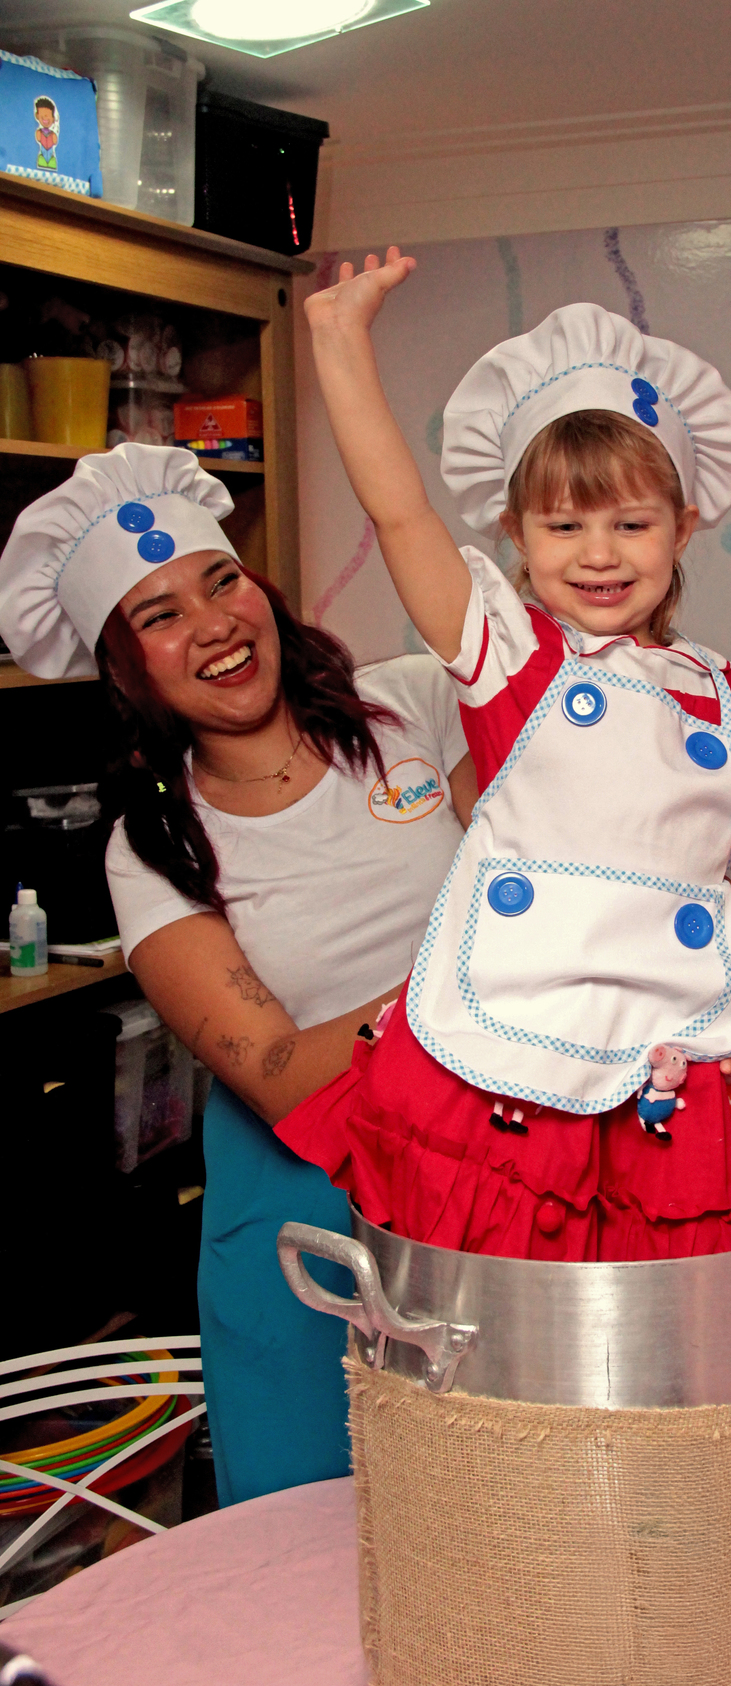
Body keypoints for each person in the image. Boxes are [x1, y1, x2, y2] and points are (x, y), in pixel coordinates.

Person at [279, 259, 731, 1259]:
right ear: (517, 537)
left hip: (675, 1045)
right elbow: (401, 513)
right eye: (564, 525)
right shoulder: (508, 658)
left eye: (632, 522)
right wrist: (339, 342)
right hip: (513, 1037)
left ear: (684, 525)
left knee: (666, 1313)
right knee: (514, 1317)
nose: (600, 552)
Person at [0, 444, 476, 1505]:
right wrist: (482, 968)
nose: (214, 621)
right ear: (125, 671)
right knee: (311, 1521)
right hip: (303, 1199)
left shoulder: (408, 706)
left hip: (483, 1158)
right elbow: (277, 1070)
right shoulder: (154, 846)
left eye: (223, 581)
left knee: (491, 1495)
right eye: (159, 614)